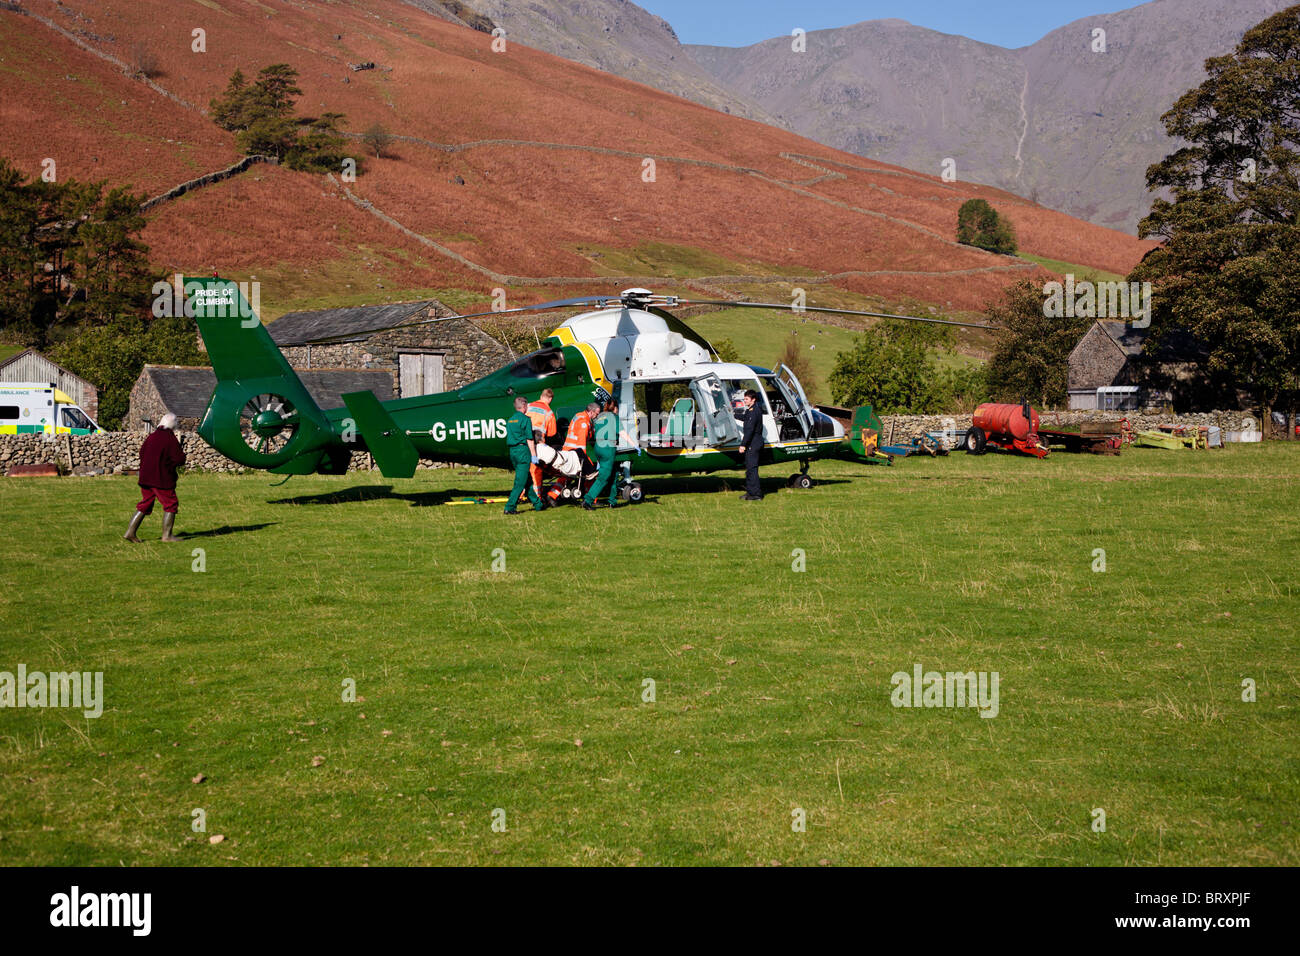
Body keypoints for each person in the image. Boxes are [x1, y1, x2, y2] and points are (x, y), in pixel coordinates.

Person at [124, 413, 186, 542]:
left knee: (146, 503)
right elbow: (179, 459)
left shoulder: (151, 437)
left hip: (145, 477)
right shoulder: (169, 438)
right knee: (171, 504)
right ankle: (167, 536)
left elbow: (142, 453)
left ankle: (130, 532)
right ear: (173, 424)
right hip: (160, 478)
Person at [504, 396, 544, 515]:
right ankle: (510, 507)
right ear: (524, 406)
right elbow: (529, 439)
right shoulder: (526, 420)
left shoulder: (510, 420)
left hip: (513, 452)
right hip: (522, 452)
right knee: (520, 482)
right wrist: (533, 454)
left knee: (527, 480)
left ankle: (538, 504)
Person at [582, 399, 624, 510]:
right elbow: (622, 432)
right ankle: (588, 500)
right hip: (608, 448)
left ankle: (612, 501)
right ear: (615, 408)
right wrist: (634, 444)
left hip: (598, 447)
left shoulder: (599, 417)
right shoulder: (614, 417)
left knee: (613, 473)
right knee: (603, 477)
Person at [526, 388, 557, 498]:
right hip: (537, 444)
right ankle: (537, 496)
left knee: (524, 470)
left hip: (524, 441)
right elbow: (552, 433)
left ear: (541, 396)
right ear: (550, 398)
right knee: (536, 470)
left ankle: (520, 495)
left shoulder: (528, 406)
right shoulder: (548, 412)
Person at [737, 389, 764, 501]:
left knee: (752, 469)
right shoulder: (752, 410)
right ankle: (750, 492)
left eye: (747, 399)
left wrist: (743, 445)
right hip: (752, 442)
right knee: (749, 469)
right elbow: (745, 418)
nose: (745, 401)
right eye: (744, 399)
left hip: (753, 442)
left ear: (753, 399)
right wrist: (734, 414)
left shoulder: (754, 411)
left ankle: (756, 494)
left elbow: (749, 430)